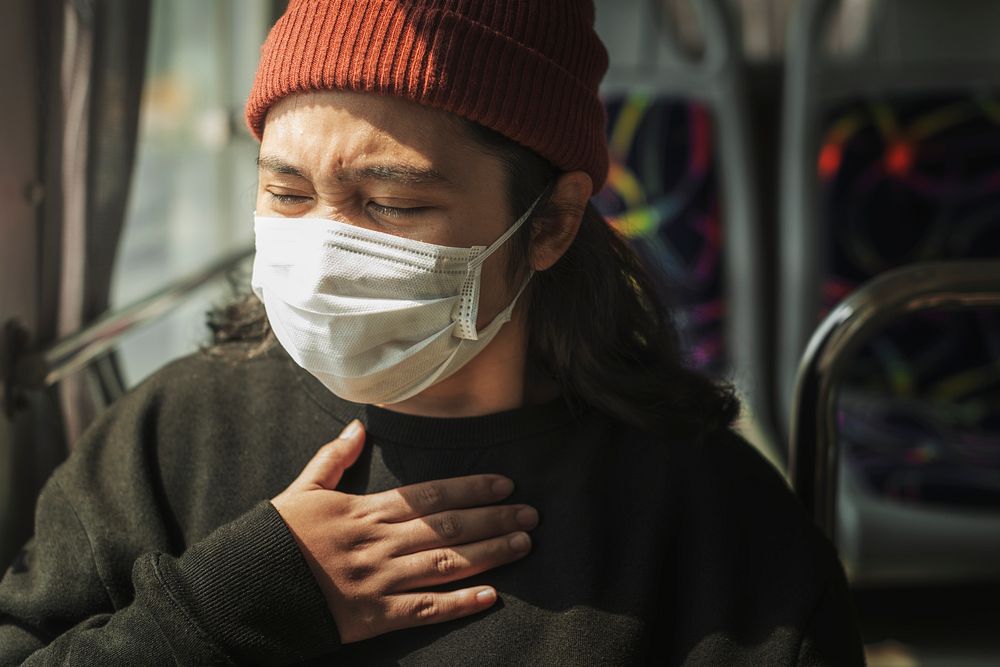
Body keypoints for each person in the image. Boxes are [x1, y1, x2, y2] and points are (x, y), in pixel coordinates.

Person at [0, 0, 865, 664]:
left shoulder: (707, 524)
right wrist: (235, 605)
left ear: (551, 223)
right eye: (288, 194)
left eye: (392, 205)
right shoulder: (169, 436)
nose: (323, 249)